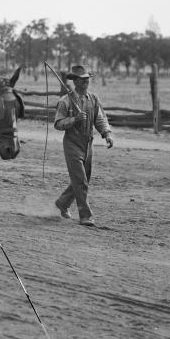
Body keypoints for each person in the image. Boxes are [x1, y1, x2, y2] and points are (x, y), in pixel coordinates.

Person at [54, 64, 114, 227]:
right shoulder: (65, 101)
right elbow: (58, 124)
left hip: (88, 144)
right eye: (83, 79)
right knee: (81, 181)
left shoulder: (93, 99)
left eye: (87, 79)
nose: (86, 82)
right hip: (72, 144)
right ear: (75, 81)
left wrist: (106, 133)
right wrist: (74, 119)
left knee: (83, 179)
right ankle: (86, 215)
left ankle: (63, 202)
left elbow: (100, 119)